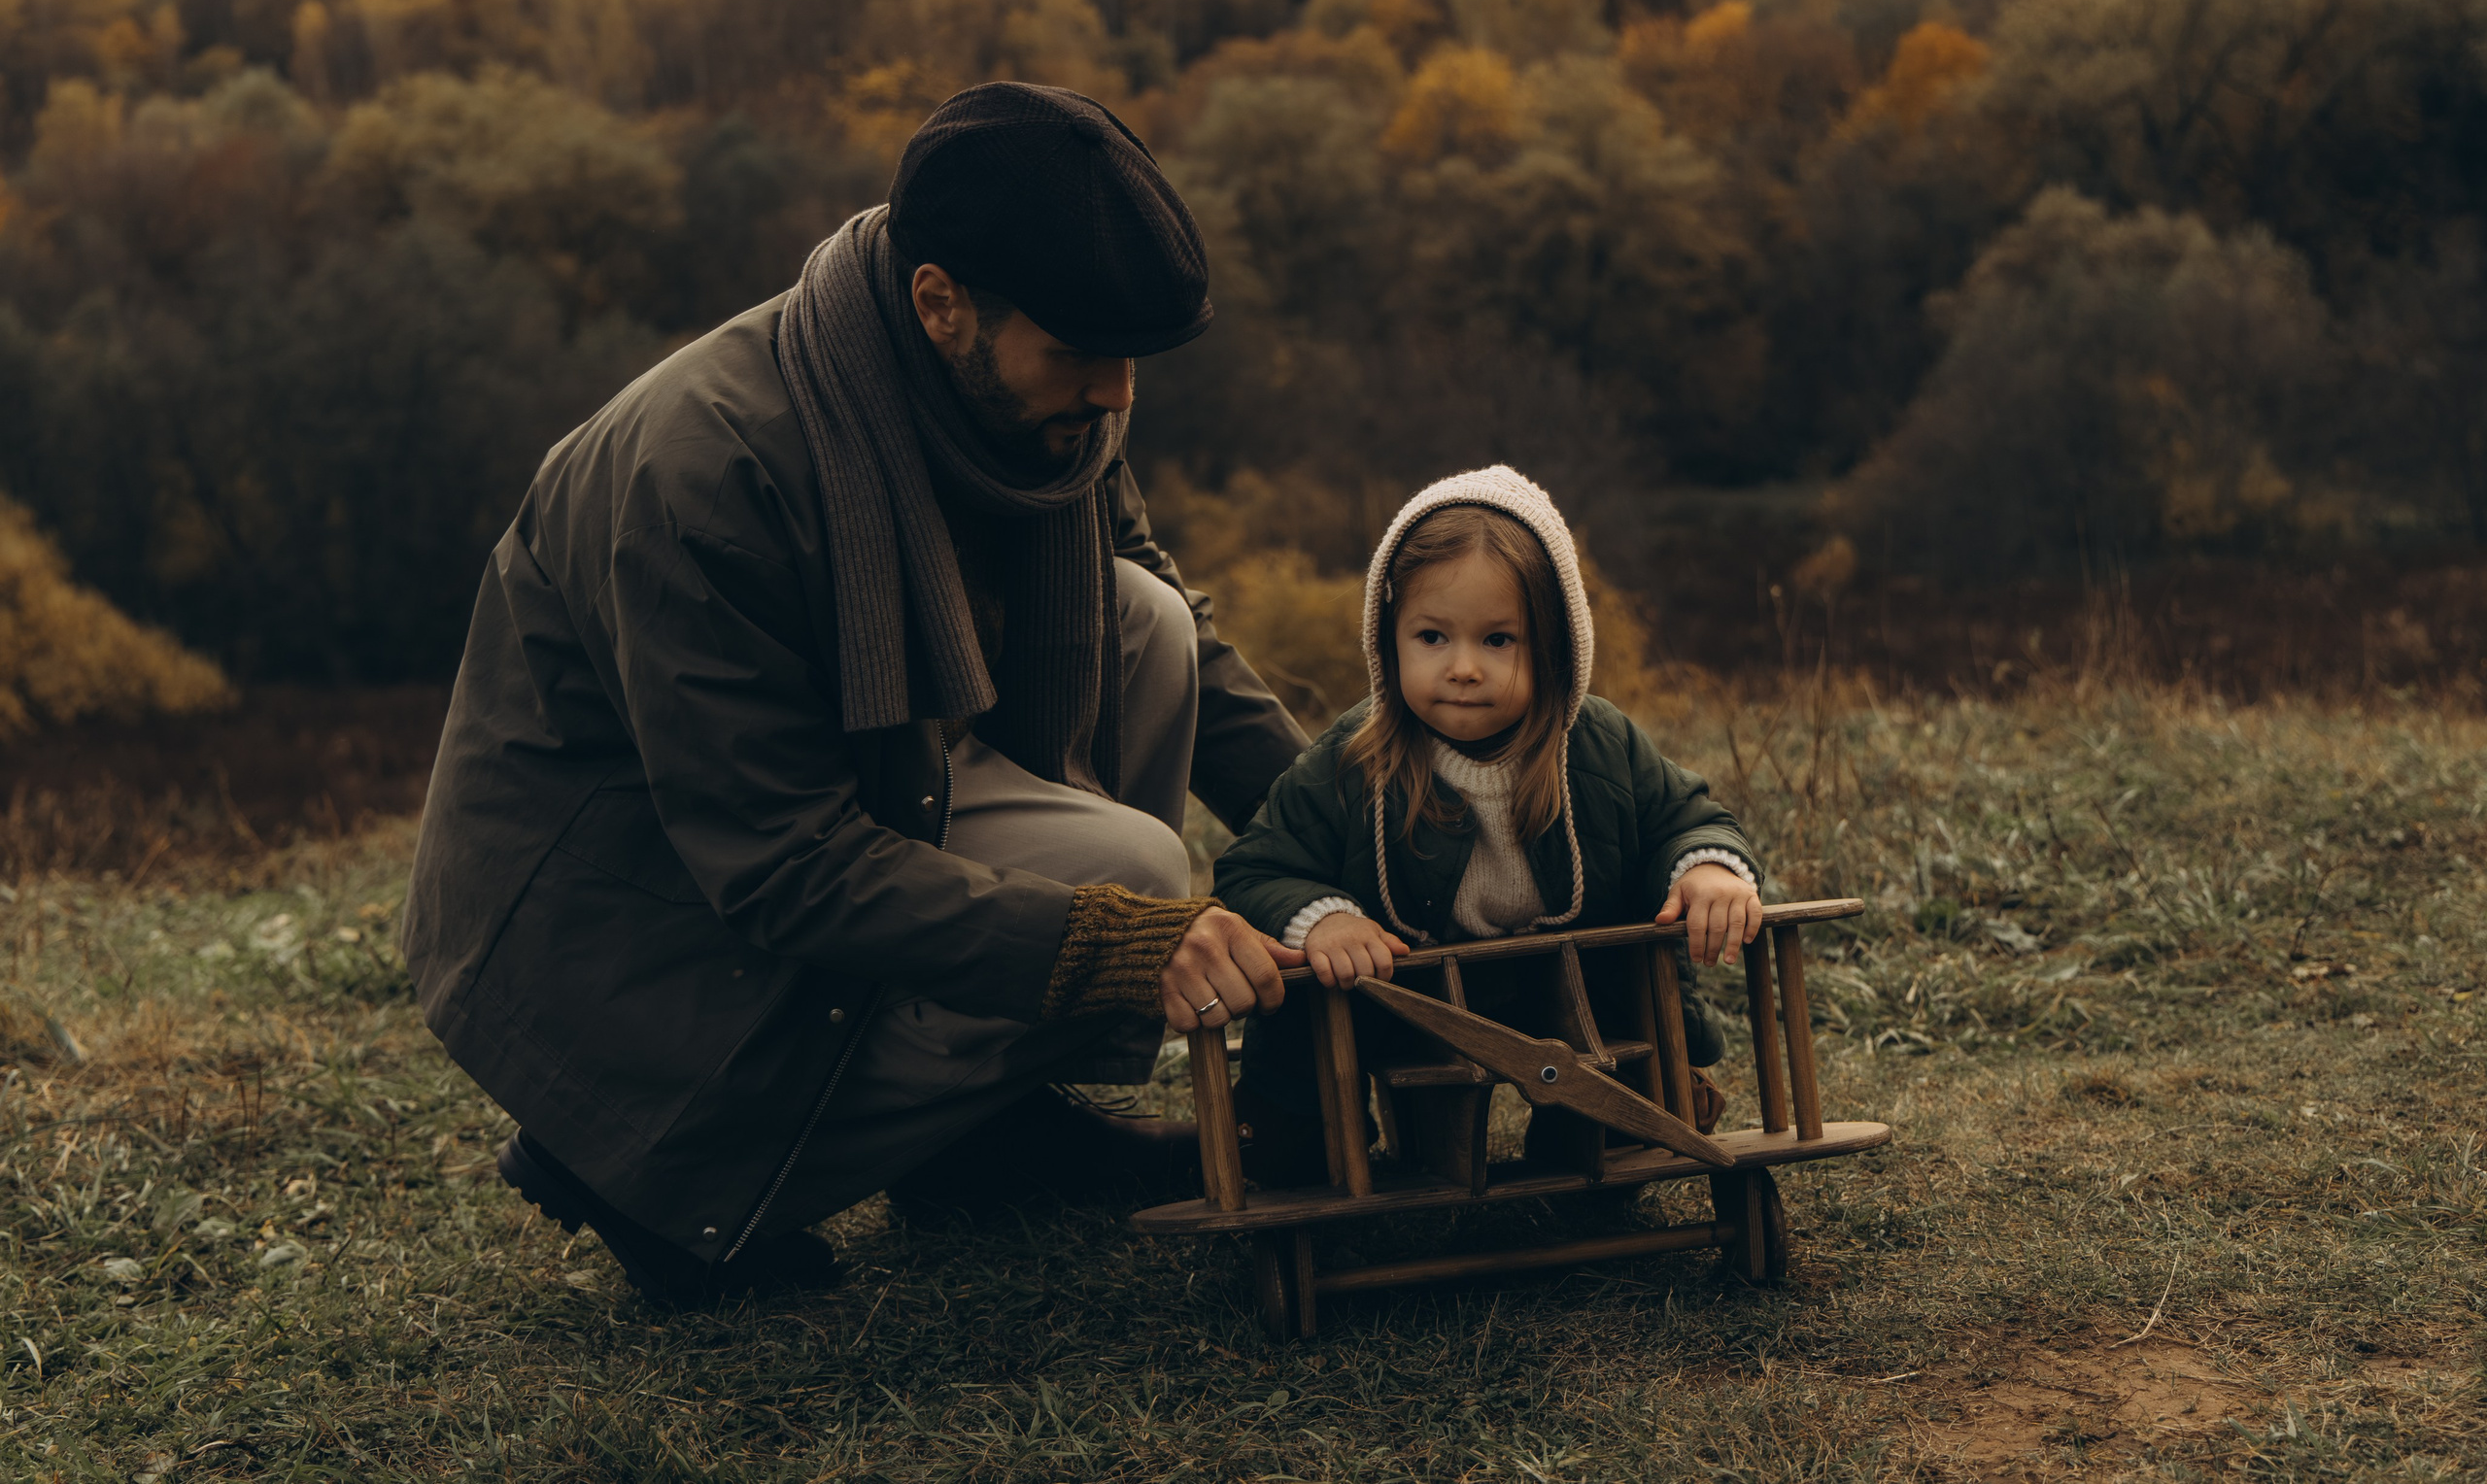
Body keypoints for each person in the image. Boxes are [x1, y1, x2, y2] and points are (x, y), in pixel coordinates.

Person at [400, 84, 1312, 1307]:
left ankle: (974, 1135)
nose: (1117, 395)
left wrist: (1350, 829)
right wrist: (1110, 947)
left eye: (1129, 359)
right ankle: (643, 1170)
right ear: (941, 303)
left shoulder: (1036, 402)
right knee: (1131, 883)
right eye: (1082, 356)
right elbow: (779, 862)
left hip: (875, 779)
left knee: (1133, 622)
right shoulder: (707, 473)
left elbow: (1166, 615)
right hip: (631, 918)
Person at [1210, 466, 1764, 1185]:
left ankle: (1615, 1127)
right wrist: (1323, 919)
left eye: (1499, 639)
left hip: (1570, 982)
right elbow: (1256, 865)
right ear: (1389, 639)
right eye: (1433, 636)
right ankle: (1299, 1140)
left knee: (1625, 1083)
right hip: (1404, 995)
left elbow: (1682, 814)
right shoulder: (1355, 756)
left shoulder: (1595, 744)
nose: (1464, 667)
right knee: (1307, 1055)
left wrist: (1707, 865)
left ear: (1555, 645)